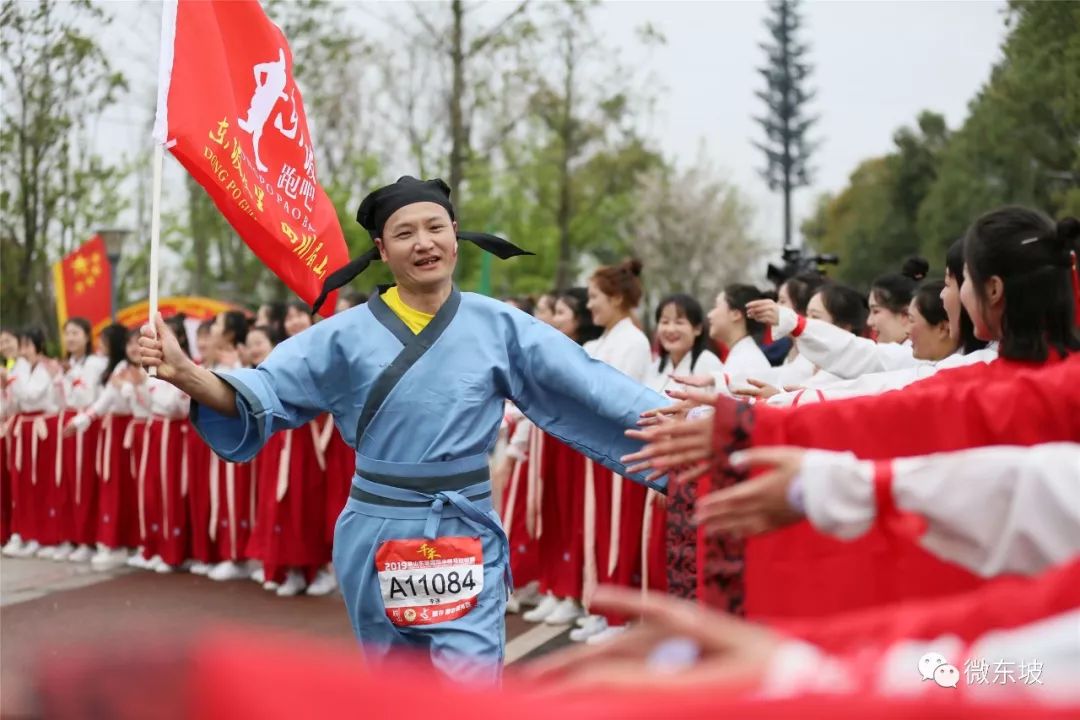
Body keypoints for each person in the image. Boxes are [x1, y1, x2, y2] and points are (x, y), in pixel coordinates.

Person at [137, 176, 668, 682]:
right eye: (405, 233)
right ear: (382, 250)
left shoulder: (501, 326)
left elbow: (592, 386)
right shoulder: (340, 336)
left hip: (464, 527)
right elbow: (264, 394)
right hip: (377, 527)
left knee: (470, 689)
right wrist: (186, 373)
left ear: (455, 236)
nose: (424, 243)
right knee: (400, 692)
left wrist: (696, 426)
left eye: (435, 227)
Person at [625, 208, 1080, 618]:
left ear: (994, 289)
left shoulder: (1006, 384)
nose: (947, 296)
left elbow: (889, 402)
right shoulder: (1020, 377)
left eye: (954, 281)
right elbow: (880, 390)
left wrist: (751, 424)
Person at [641, 294, 722, 596]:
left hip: (686, 473)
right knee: (656, 548)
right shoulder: (657, 365)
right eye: (664, 321)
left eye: (679, 321)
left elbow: (707, 423)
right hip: (656, 465)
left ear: (699, 328)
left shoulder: (708, 365)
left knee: (683, 555)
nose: (670, 329)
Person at [62, 323, 133, 569]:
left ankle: (118, 543)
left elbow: (117, 398)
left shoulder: (124, 369)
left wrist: (127, 387)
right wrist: (84, 419)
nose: (100, 344)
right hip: (110, 430)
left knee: (120, 487)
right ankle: (110, 541)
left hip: (124, 430)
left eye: (105, 340)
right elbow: (103, 401)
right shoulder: (114, 367)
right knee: (110, 485)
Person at [3, 328, 63, 559]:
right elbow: (15, 400)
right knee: (24, 482)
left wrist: (12, 382)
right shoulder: (19, 367)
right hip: (24, 427)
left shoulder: (45, 367)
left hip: (41, 428)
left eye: (27, 345)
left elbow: (31, 395)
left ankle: (46, 535)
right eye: (22, 345)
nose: (23, 350)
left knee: (43, 482)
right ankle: (27, 533)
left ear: (37, 344)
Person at [55, 318, 109, 562]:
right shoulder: (69, 364)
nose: (71, 338)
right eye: (67, 334)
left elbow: (88, 394)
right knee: (67, 480)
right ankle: (71, 535)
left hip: (87, 424)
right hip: (68, 422)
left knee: (85, 481)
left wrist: (71, 375)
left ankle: (88, 538)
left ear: (88, 336)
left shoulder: (97, 363)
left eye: (76, 333)